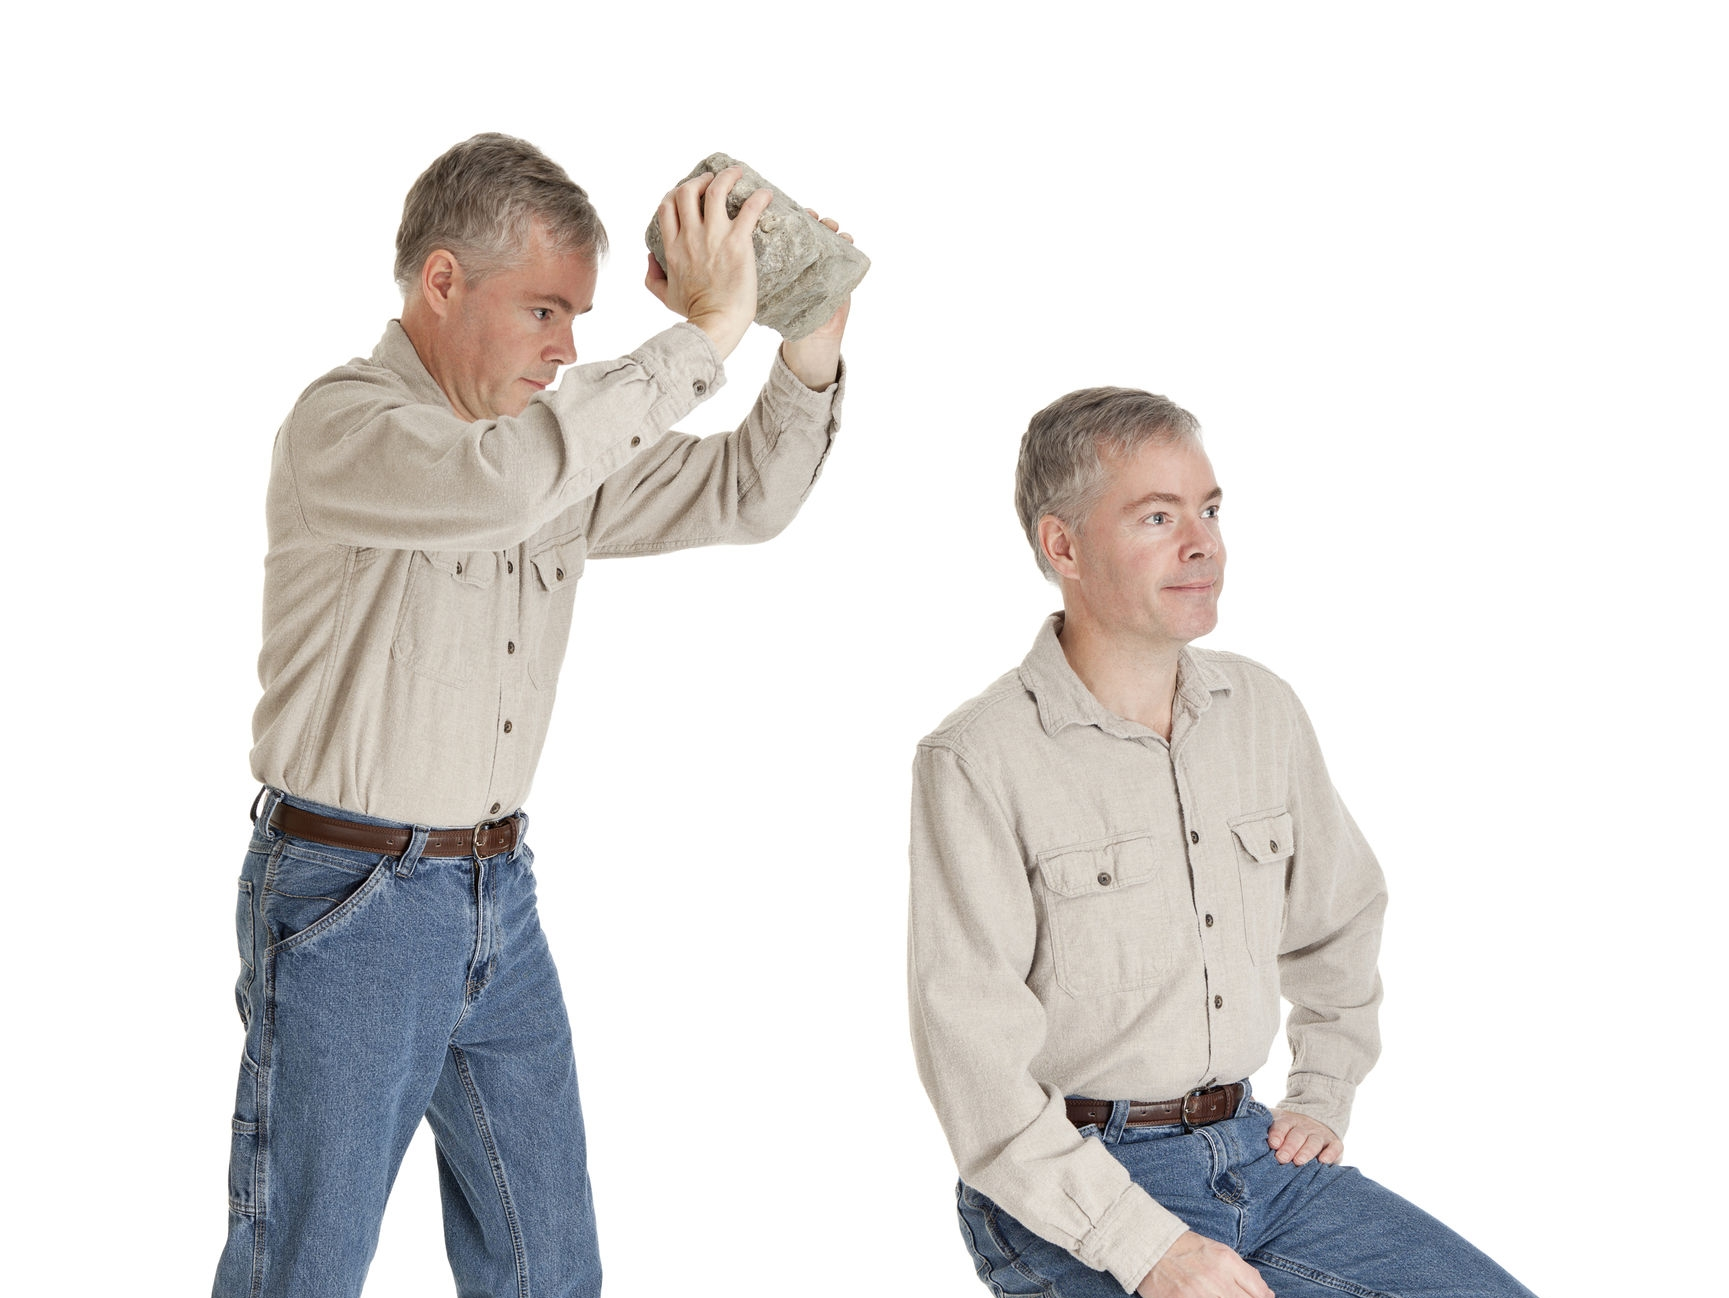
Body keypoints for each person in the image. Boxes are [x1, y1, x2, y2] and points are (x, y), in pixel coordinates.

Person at [216, 133, 851, 1298]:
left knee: (547, 1263)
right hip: (350, 904)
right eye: (546, 311)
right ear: (442, 281)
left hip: (494, 897)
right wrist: (699, 335)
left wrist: (808, 322)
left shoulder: (548, 451)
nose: (568, 352)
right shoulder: (348, 427)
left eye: (581, 320)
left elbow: (747, 495)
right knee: (299, 1268)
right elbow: (499, 484)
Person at [907, 389, 1534, 1297]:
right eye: (1157, 517)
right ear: (1063, 546)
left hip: (1254, 1151)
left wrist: (1322, 1087)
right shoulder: (977, 759)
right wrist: (1147, 1247)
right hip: (1072, 1188)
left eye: (1207, 510)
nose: (1203, 544)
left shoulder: (1259, 712)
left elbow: (1339, 913)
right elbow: (976, 1067)